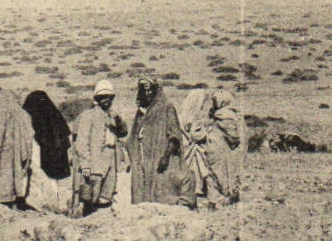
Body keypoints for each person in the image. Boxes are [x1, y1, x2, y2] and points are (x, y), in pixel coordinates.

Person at [129, 77, 192, 207]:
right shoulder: (141, 111)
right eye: (143, 91)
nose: (146, 94)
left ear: (155, 90)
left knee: (161, 189)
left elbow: (174, 135)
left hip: (159, 153)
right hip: (143, 156)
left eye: (149, 90)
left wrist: (166, 156)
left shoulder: (166, 107)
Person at [70, 79, 127, 216]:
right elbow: (81, 142)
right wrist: (85, 164)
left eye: (109, 97)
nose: (106, 100)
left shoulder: (113, 116)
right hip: (94, 160)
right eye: (102, 97)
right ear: (97, 98)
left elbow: (123, 133)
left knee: (106, 195)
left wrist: (118, 120)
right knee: (89, 195)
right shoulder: (88, 116)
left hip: (110, 158)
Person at [0, 87, 36, 210]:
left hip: (2, 153)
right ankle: (18, 201)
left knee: (2, 176)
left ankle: (5, 204)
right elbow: (30, 134)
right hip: (20, 152)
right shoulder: (23, 113)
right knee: (18, 176)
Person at [204, 90, 243, 204]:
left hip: (214, 147)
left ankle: (216, 199)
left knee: (214, 174)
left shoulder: (220, 115)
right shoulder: (227, 115)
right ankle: (223, 198)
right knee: (221, 173)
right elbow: (234, 137)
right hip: (220, 150)